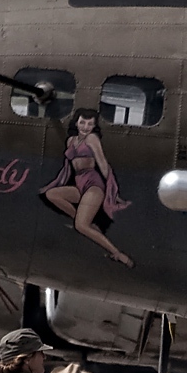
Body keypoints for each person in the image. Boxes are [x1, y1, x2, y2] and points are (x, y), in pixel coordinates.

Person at [41, 108, 135, 267]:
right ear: (76, 122)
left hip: (93, 184)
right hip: (79, 183)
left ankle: (118, 254)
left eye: (90, 124)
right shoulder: (70, 141)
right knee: (52, 194)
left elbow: (103, 163)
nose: (85, 127)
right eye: (82, 122)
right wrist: (56, 183)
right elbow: (67, 168)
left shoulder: (92, 139)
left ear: (94, 126)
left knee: (80, 226)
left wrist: (112, 189)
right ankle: (86, 222)